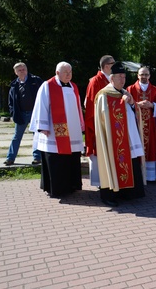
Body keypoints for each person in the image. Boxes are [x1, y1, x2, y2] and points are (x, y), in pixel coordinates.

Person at [94, 62, 146, 206]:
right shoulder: (104, 95)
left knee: (130, 162)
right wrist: (122, 104)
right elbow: (105, 117)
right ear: (111, 79)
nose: (123, 80)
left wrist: (131, 104)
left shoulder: (124, 92)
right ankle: (109, 195)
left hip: (128, 137)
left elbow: (135, 111)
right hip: (113, 140)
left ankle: (127, 193)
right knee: (113, 162)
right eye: (119, 77)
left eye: (124, 77)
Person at [29, 62, 84, 198]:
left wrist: (80, 125)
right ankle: (56, 188)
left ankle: (71, 185)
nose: (68, 75)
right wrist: (43, 126)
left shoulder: (73, 86)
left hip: (72, 131)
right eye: (65, 72)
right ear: (57, 73)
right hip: (54, 132)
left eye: (70, 72)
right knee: (56, 160)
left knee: (71, 158)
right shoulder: (47, 86)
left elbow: (77, 108)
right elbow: (41, 105)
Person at [84, 55, 115, 188]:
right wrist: (95, 125)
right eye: (113, 64)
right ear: (107, 66)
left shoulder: (111, 79)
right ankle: (99, 182)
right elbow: (90, 104)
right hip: (99, 124)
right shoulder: (96, 81)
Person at [5, 62, 43, 166]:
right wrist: (13, 113)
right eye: (20, 70)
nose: (22, 71)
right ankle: (10, 158)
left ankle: (37, 157)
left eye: (24, 69)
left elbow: (44, 95)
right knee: (17, 137)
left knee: (37, 136)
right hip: (21, 114)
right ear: (15, 72)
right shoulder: (14, 85)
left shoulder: (35, 80)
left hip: (35, 113)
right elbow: (11, 102)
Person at [127, 66, 156, 182]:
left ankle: (150, 177)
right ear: (138, 75)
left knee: (150, 148)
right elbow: (126, 106)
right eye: (142, 74)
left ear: (149, 76)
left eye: (146, 74)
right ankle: (137, 175)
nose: (144, 77)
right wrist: (137, 104)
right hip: (136, 125)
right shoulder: (130, 89)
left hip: (151, 125)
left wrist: (152, 106)